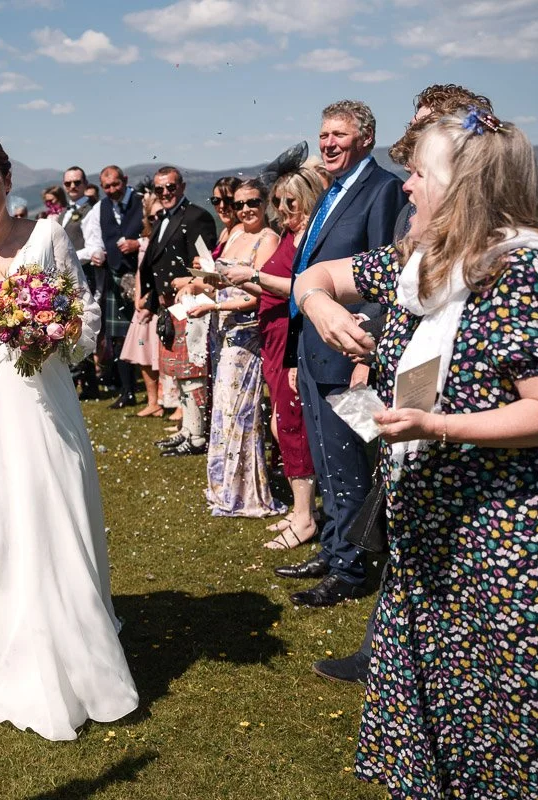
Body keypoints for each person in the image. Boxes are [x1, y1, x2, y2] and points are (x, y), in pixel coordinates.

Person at [296, 109, 538, 799]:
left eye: (419, 174)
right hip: (429, 531)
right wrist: (322, 309)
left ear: (463, 187)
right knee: (435, 704)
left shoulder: (519, 273)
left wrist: (439, 429)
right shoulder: (423, 259)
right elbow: (315, 276)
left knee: (500, 719)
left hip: (497, 540)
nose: (406, 187)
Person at [0, 135, 138, 741]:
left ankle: (73, 636)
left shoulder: (46, 237)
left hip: (45, 397)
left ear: (7, 181)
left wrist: (52, 333)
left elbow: (85, 317)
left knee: (54, 512)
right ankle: (2, 625)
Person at [274, 100, 407, 608]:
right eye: (323, 134)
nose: (327, 143)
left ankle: (351, 570)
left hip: (348, 355)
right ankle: (332, 551)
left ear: (366, 140)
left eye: (339, 136)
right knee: (327, 462)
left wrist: (363, 359)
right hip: (312, 350)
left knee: (350, 462)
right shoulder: (332, 192)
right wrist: (292, 356)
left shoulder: (383, 191)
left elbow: (381, 282)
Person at [224, 156, 322, 548]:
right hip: (272, 335)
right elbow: (271, 288)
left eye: (290, 203)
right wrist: (236, 280)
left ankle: (305, 517)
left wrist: (252, 275)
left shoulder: (308, 240)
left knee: (291, 425)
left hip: (289, 338)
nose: (282, 211)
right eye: (278, 203)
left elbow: (297, 287)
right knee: (284, 424)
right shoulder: (289, 237)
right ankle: (305, 511)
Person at [182, 180, 282, 516]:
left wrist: (212, 307)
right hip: (220, 332)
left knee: (240, 413)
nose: (245, 210)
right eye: (239, 204)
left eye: (253, 202)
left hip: (245, 336)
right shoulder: (236, 233)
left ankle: (245, 494)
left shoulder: (268, 239)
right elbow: (222, 282)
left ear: (266, 201)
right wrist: (201, 279)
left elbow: (258, 295)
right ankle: (223, 485)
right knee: (222, 412)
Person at [143, 167, 218, 456]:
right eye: (159, 189)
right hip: (170, 306)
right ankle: (187, 428)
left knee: (192, 370)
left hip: (191, 302)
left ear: (182, 186)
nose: (165, 193)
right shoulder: (163, 218)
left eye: (170, 188)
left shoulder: (196, 216)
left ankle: (197, 435)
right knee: (179, 372)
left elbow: (207, 264)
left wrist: (189, 281)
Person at [93, 166, 143, 409]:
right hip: (114, 274)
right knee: (119, 336)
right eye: (107, 186)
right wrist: (97, 252)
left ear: (125, 180)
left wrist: (139, 243)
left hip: (142, 274)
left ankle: (157, 392)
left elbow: (156, 235)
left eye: (116, 185)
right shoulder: (101, 207)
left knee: (145, 333)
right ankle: (128, 391)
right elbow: (93, 237)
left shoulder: (142, 201)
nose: (111, 190)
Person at [58, 166, 103, 399]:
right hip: (66, 279)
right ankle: (84, 382)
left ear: (85, 184)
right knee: (70, 328)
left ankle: (86, 382)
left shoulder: (91, 211)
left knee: (82, 325)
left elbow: (96, 248)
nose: (73, 187)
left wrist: (68, 256)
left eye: (77, 182)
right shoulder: (64, 213)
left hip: (84, 275)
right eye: (68, 184)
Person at [120, 189, 165, 417]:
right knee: (143, 354)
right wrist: (138, 296)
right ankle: (152, 401)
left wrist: (151, 299)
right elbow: (140, 270)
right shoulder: (145, 238)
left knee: (160, 354)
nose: (155, 220)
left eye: (160, 215)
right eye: (152, 216)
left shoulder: (166, 235)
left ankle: (169, 400)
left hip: (158, 301)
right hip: (143, 300)